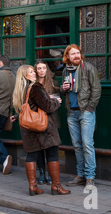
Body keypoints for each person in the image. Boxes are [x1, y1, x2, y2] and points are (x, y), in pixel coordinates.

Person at [11, 64, 70, 196]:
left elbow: (26, 108)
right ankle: (56, 187)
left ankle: (33, 187)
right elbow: (48, 107)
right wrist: (56, 101)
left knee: (31, 155)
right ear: (25, 75)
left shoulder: (20, 89)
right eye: (31, 72)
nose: (34, 74)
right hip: (43, 128)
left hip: (28, 128)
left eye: (34, 71)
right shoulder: (35, 87)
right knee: (53, 153)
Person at [61, 44, 101, 190]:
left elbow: (96, 89)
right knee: (77, 146)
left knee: (87, 144)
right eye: (73, 54)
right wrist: (62, 89)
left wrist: (90, 108)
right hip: (72, 112)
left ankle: (90, 177)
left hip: (85, 111)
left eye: (78, 53)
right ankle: (81, 175)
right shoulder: (66, 70)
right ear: (68, 57)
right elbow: (63, 89)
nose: (77, 56)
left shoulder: (88, 68)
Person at [34, 59, 60, 184]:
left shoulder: (53, 82)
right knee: (39, 148)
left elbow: (58, 97)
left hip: (51, 118)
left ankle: (50, 174)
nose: (41, 70)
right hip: (37, 119)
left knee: (51, 147)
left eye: (43, 68)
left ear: (47, 69)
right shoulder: (33, 84)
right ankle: (42, 173)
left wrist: (52, 97)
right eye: (39, 68)